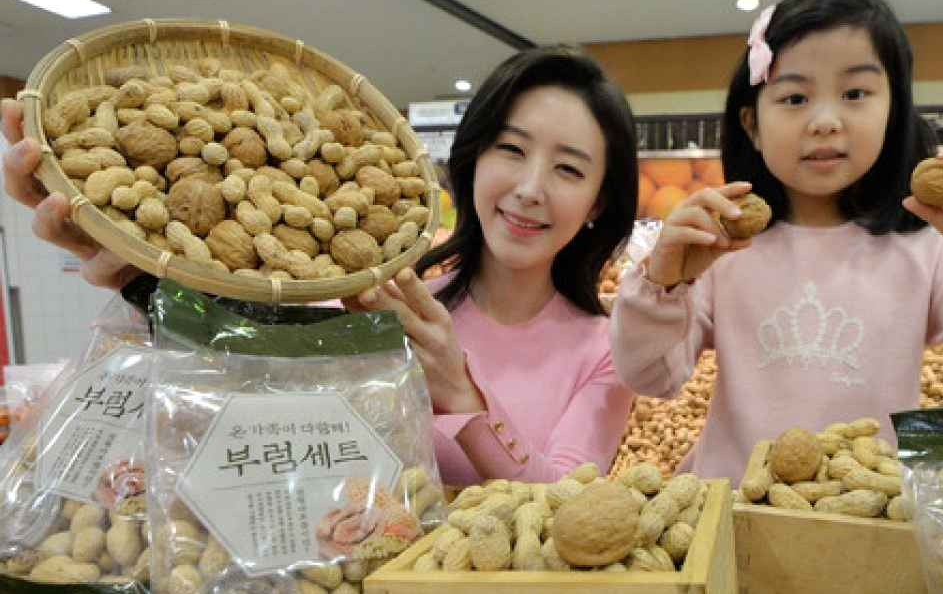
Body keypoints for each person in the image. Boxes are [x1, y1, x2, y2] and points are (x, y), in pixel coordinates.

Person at [1, 45, 638, 485]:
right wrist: (142, 281)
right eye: (511, 150)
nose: (530, 188)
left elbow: (568, 507)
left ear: (598, 203)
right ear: (473, 161)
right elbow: (230, 392)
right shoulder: (374, 297)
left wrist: (462, 394)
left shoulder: (611, 351)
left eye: (568, 169)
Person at [610, 0, 943, 481]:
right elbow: (651, 377)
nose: (825, 121)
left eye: (855, 94)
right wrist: (663, 286)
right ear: (752, 124)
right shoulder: (722, 246)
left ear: (893, 110)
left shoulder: (926, 248)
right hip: (734, 505)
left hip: (866, 508)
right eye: (795, 97)